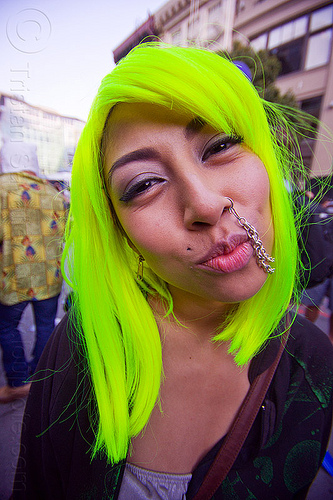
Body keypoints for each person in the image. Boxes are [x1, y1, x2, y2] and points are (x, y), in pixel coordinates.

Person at [13, 44, 333, 499]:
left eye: (221, 145)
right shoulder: (82, 349)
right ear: (120, 233)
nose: (204, 203)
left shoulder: (313, 366)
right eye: (144, 184)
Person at [0, 142, 68, 403]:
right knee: (44, 327)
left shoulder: (3, 188)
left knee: (6, 327)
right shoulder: (52, 192)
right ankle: (39, 376)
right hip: (49, 276)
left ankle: (18, 381)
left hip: (13, 277)